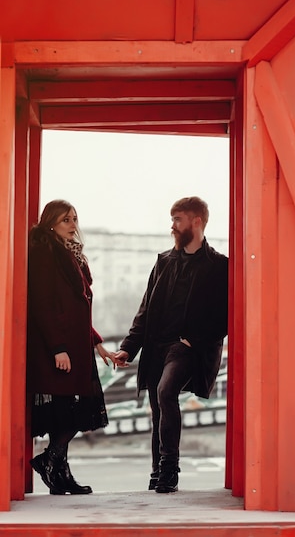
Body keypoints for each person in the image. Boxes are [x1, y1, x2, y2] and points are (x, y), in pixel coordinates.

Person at [114, 196, 228, 493]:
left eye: (177, 220)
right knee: (157, 405)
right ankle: (157, 472)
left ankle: (169, 469)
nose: (172, 227)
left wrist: (194, 340)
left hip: (186, 347)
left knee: (166, 392)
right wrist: (128, 347)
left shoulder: (219, 266)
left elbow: (227, 314)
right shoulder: (164, 261)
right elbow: (145, 309)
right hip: (156, 345)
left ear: (196, 221)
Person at [27, 199, 115, 495]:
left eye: (75, 219)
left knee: (67, 411)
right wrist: (57, 348)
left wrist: (97, 342)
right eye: (66, 219)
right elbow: (42, 303)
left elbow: (78, 307)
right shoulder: (43, 251)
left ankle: (59, 473)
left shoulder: (72, 254)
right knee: (73, 410)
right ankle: (50, 461)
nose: (73, 225)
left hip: (76, 346)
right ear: (50, 221)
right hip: (58, 347)